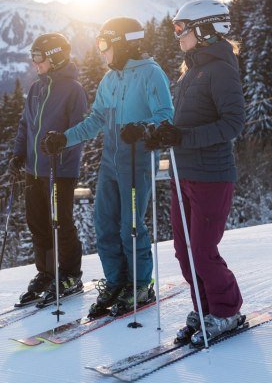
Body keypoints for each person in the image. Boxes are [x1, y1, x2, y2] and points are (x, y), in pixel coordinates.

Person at [41, 17, 173, 318]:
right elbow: (96, 121)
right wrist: (64, 139)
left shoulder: (151, 74)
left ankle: (140, 284)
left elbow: (166, 116)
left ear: (123, 43)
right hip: (111, 163)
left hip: (137, 162)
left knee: (131, 226)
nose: (102, 52)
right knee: (104, 225)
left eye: (105, 45)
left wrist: (142, 128)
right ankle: (116, 282)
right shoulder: (110, 79)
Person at [145, 0, 245, 346]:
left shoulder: (220, 69)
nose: (177, 35)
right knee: (183, 251)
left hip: (211, 176)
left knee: (202, 250)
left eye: (181, 28)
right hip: (183, 173)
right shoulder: (193, 69)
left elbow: (233, 124)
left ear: (204, 28)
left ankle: (227, 310)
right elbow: (185, 122)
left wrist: (182, 137)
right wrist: (161, 133)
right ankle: (204, 309)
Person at [10, 32, 88, 305]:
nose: (35, 64)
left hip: (59, 170)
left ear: (54, 58)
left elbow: (79, 130)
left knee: (61, 224)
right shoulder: (36, 88)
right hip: (34, 170)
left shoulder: (73, 90)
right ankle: (47, 272)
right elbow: (25, 125)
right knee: (38, 224)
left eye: (39, 58)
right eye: (33, 58)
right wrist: (19, 154)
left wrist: (62, 155)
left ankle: (70, 274)